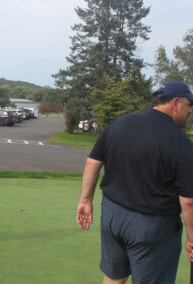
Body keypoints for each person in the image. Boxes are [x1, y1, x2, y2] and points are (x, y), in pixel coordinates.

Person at [76, 81, 193, 284]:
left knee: (114, 277)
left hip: (112, 216)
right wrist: (192, 238)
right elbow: (188, 202)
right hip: (152, 225)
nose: (190, 111)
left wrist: (85, 201)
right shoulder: (180, 142)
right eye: (189, 105)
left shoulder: (121, 122)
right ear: (176, 102)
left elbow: (92, 162)